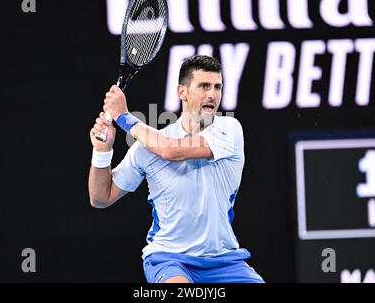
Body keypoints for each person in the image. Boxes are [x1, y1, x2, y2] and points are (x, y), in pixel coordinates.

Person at [88, 55, 264, 283]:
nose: (213, 94)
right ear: (182, 92)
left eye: (217, 87)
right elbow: (101, 197)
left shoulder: (229, 129)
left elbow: (172, 151)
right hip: (169, 259)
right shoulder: (147, 147)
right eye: (204, 86)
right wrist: (102, 152)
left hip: (225, 261)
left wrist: (124, 118)